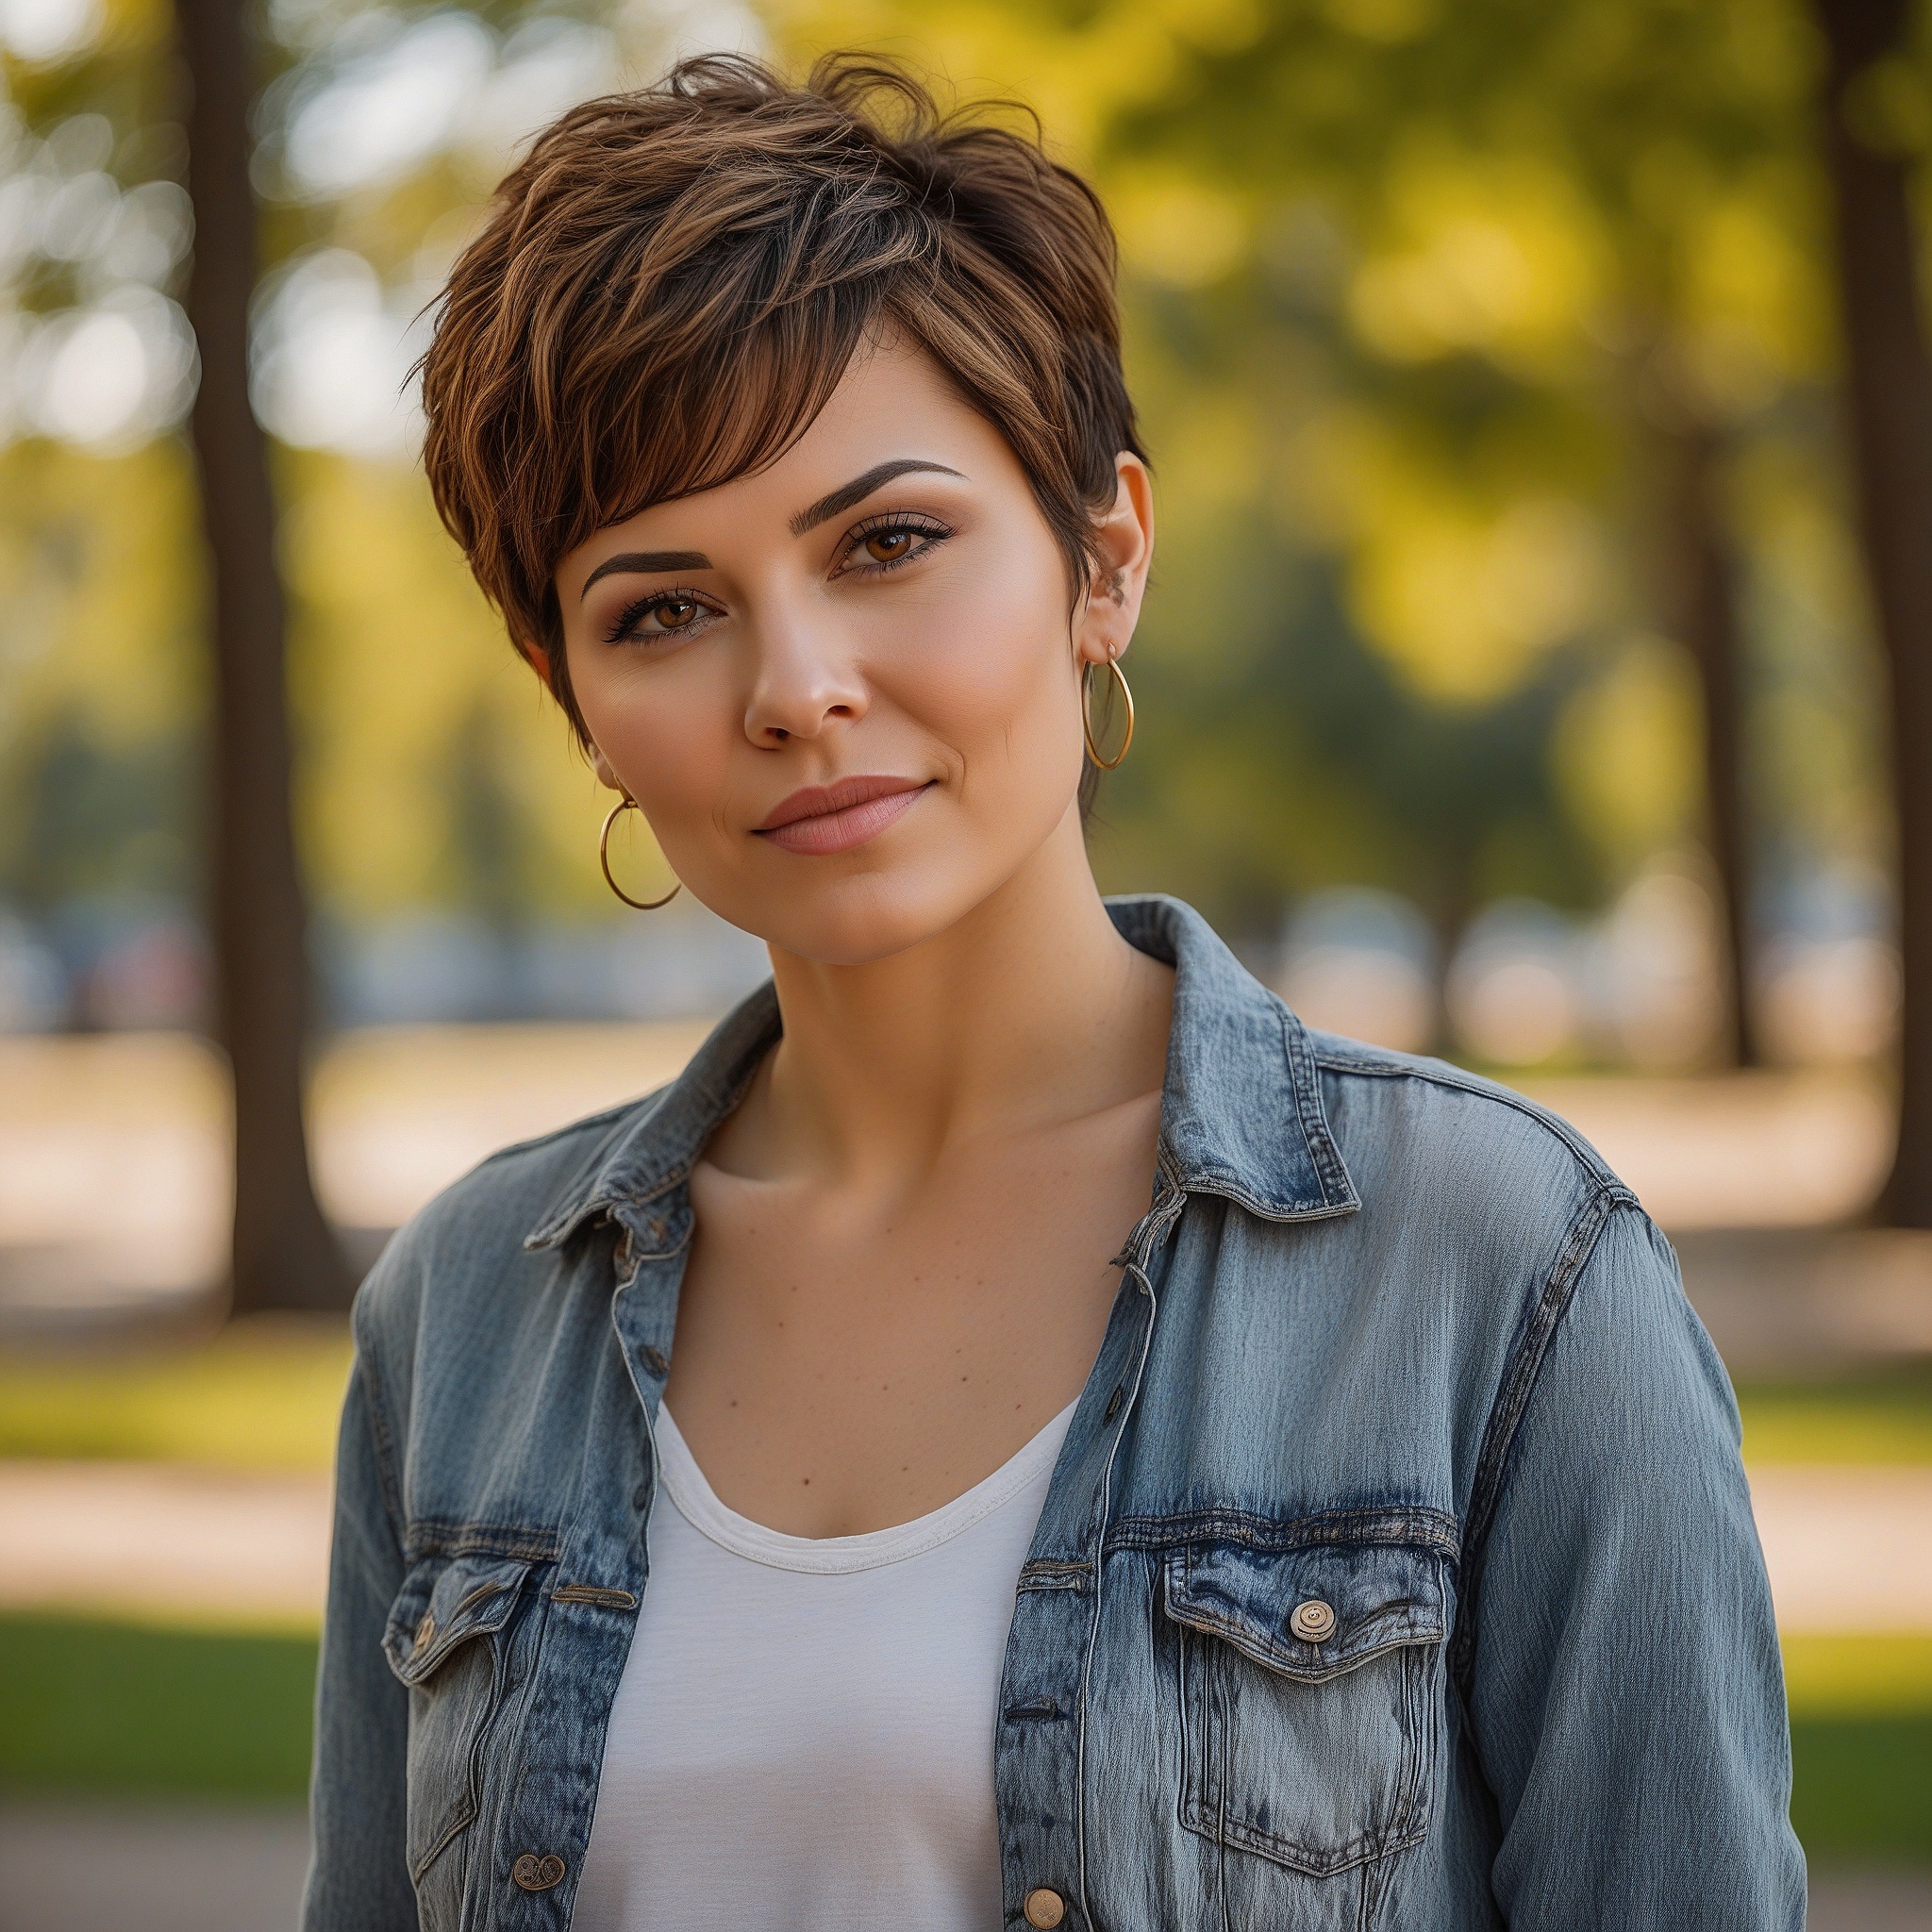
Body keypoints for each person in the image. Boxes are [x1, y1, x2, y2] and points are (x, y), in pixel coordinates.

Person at [303, 53, 1804, 1932]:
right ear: (568, 692)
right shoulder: (459, 1312)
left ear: (1103, 560)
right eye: (663, 606)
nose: (796, 684)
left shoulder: (1501, 1268)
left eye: (889, 541)